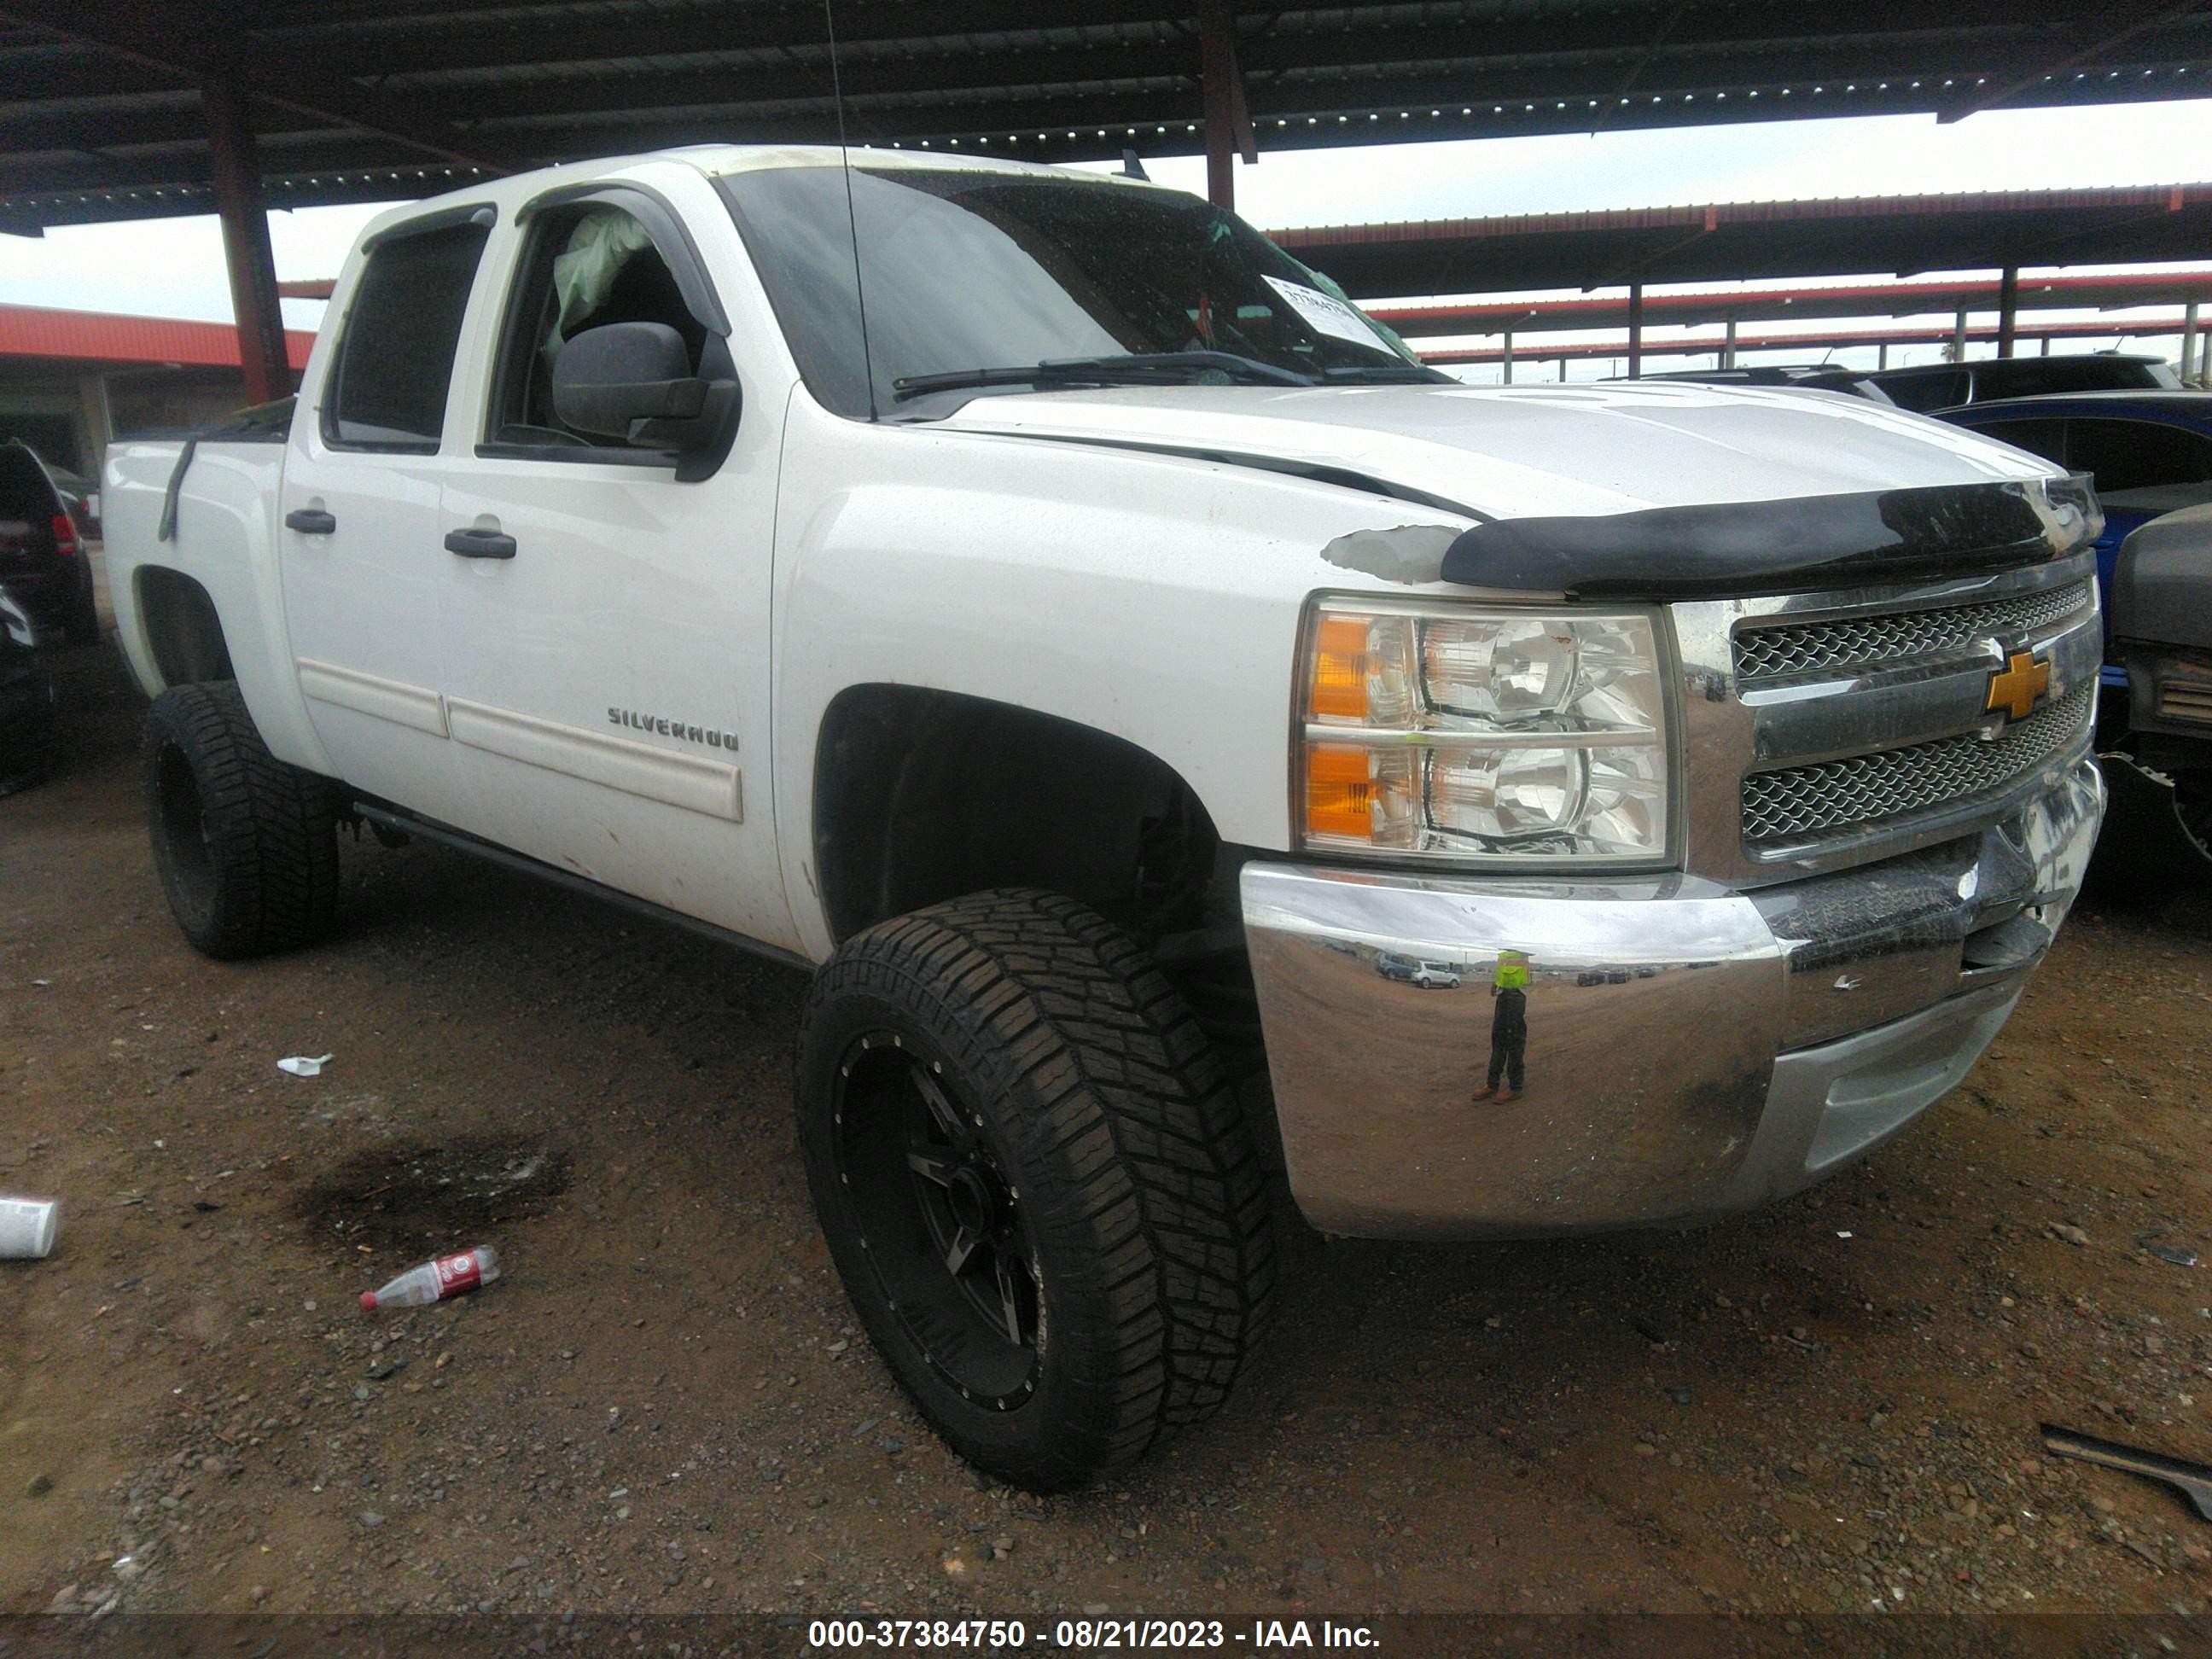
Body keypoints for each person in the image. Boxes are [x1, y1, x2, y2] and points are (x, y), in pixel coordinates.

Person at [1470, 949, 1529, 1103]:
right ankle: (1492, 1084)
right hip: (1502, 996)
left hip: (1517, 996)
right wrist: (1495, 983)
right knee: (1498, 1041)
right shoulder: (1504, 953)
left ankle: (1515, 1087)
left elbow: (1524, 975)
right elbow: (1502, 971)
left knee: (1514, 1041)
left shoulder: (1522, 948)